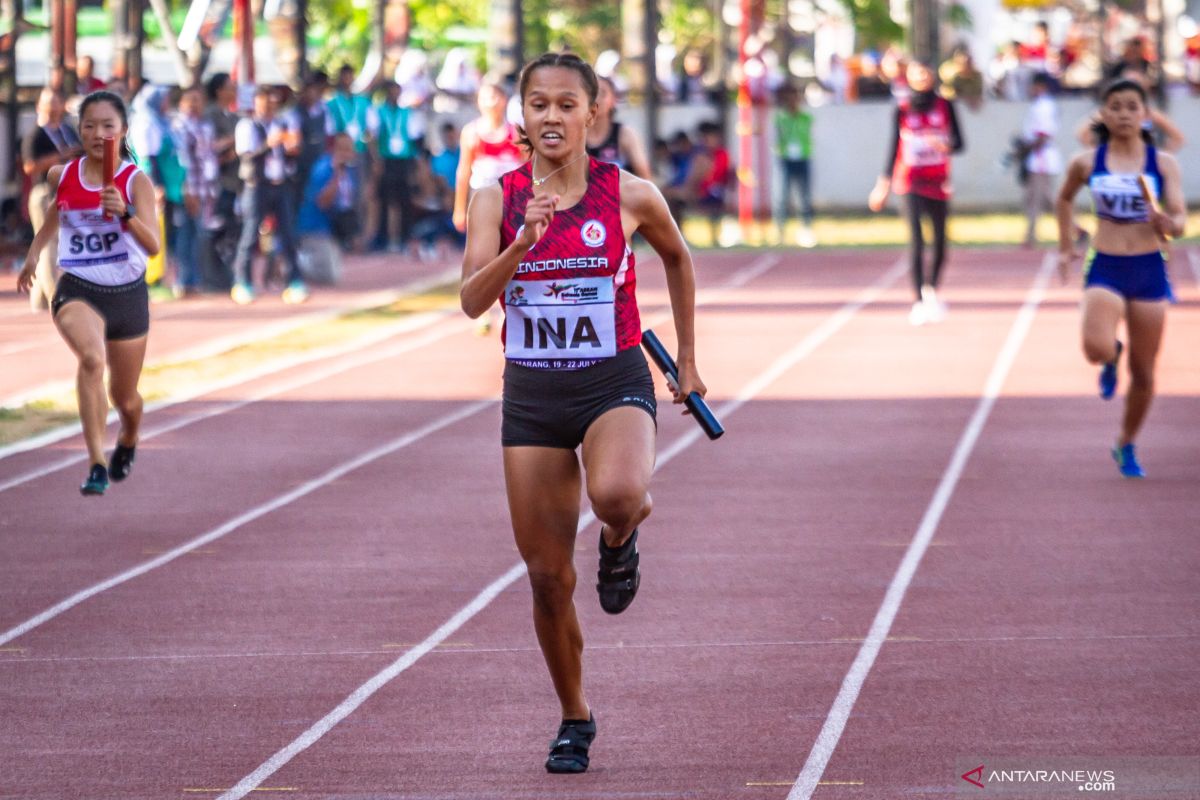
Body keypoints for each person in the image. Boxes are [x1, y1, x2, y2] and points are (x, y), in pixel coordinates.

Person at [459, 52, 706, 775]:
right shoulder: (493, 198)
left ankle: (621, 536)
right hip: (533, 396)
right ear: (521, 116)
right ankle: (575, 716)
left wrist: (686, 361)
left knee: (619, 494)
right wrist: (523, 244)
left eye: (568, 104)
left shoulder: (628, 193)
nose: (552, 117)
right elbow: (473, 300)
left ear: (593, 112)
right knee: (546, 578)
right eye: (538, 104)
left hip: (611, 382)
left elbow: (679, 260)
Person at [15, 91, 160, 495]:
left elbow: (153, 247)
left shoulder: (136, 181)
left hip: (128, 293)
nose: (98, 133)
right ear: (79, 131)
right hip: (77, 286)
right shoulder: (62, 175)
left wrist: (126, 215)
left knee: (125, 397)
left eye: (107, 126)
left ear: (123, 130)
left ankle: (128, 435)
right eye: (90, 126)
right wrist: (31, 259)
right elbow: (53, 218)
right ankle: (96, 461)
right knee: (92, 360)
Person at [1055, 78, 1185, 479]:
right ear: (1104, 114)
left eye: (1133, 107)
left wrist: (1168, 222)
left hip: (1147, 269)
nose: (1125, 114)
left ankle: (1126, 442)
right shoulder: (1086, 161)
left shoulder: (1162, 164)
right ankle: (1111, 356)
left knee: (1145, 374)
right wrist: (1065, 245)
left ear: (1146, 115)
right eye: (1116, 107)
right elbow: (1063, 198)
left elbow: (1179, 220)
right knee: (1094, 347)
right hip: (1106, 264)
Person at [869, 60, 964, 325]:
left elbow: (959, 142)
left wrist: (943, 144)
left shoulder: (945, 106)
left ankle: (931, 289)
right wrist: (883, 184)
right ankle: (918, 301)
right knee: (917, 241)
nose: (921, 76)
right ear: (908, 77)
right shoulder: (902, 109)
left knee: (941, 244)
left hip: (938, 182)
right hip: (910, 182)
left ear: (931, 75)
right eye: (916, 73)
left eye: (925, 71)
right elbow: (892, 148)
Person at [454, 78, 527, 334]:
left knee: (510, 253)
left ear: (504, 100)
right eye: (484, 97)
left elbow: (527, 168)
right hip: (480, 199)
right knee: (481, 255)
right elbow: (463, 170)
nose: (490, 102)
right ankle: (484, 312)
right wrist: (459, 207)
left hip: (510, 200)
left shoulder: (515, 132)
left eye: (494, 96)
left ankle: (516, 304)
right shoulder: (472, 133)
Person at [230, 86, 307, 305]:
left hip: (280, 184)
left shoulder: (282, 124)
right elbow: (246, 155)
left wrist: (292, 149)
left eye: (273, 103)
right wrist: (268, 144)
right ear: (255, 104)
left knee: (288, 233)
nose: (269, 107)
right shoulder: (247, 126)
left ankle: (294, 281)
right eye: (264, 103)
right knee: (250, 234)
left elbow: (291, 153)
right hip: (256, 185)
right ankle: (242, 282)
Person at [21, 88, 82, 311]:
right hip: (45, 193)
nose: (54, 107)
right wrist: (60, 156)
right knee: (48, 242)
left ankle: (38, 300)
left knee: (55, 243)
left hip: (67, 192)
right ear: (40, 106)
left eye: (57, 102)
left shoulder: (67, 130)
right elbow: (29, 166)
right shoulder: (36, 134)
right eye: (49, 102)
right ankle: (54, 295)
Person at [172, 86, 219, 296]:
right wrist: (187, 190)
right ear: (181, 103)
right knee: (185, 235)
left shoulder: (206, 127)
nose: (194, 105)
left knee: (199, 236)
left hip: (205, 189)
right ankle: (184, 281)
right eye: (190, 100)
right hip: (188, 189)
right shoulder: (178, 127)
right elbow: (182, 163)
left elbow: (208, 158)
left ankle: (196, 280)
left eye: (198, 100)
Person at [296, 132, 359, 284]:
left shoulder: (348, 171)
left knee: (334, 274)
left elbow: (346, 203)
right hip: (314, 228)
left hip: (331, 229)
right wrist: (336, 176)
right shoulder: (324, 168)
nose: (348, 153)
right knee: (329, 276)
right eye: (343, 149)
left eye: (350, 149)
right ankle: (292, 262)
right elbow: (322, 202)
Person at [1020, 72, 1063, 248]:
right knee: (1040, 198)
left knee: (1040, 198)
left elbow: (1043, 134)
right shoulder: (1039, 105)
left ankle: (1030, 235)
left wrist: (1026, 148)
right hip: (1036, 156)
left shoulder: (1044, 106)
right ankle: (1075, 229)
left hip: (1041, 157)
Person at [585, 75, 652, 179]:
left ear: (614, 99)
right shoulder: (575, 134)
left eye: (602, 93)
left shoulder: (625, 134)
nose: (596, 99)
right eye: (592, 94)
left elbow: (645, 178)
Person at [773, 83, 815, 247]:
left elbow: (807, 135)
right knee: (782, 196)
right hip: (785, 159)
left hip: (803, 158)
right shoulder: (780, 118)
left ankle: (806, 229)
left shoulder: (806, 117)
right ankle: (781, 231)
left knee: (804, 196)